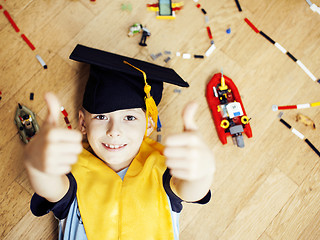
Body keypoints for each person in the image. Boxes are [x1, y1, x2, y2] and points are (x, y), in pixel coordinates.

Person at [25, 44, 215, 240]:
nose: (114, 131)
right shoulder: (72, 168)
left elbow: (191, 190)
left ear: (149, 124)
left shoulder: (162, 168)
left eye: (130, 118)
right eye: (101, 117)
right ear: (83, 123)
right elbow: (50, 186)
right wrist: (38, 166)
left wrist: (202, 172)